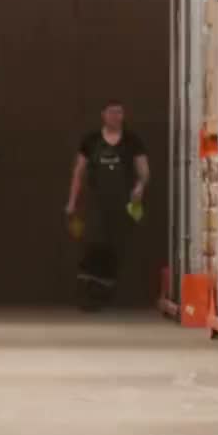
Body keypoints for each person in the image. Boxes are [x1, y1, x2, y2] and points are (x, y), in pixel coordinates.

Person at [64, 103, 150, 310]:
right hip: (95, 204)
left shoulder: (132, 141)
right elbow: (79, 172)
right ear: (103, 115)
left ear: (123, 115)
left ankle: (105, 294)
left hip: (123, 204)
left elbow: (144, 171)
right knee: (93, 244)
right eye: (111, 112)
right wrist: (72, 202)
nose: (115, 116)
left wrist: (140, 187)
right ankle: (87, 294)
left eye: (119, 112)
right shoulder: (91, 141)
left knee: (115, 246)